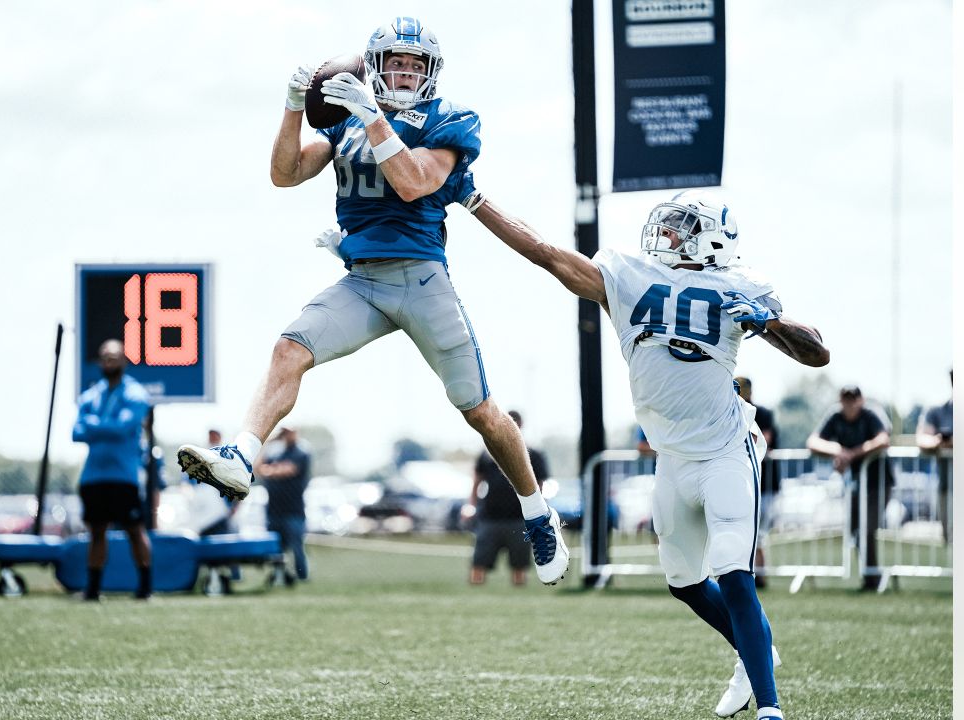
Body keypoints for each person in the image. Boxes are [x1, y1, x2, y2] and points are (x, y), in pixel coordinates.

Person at [175, 16, 568, 585]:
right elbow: (284, 175)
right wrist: (291, 106)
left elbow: (412, 183)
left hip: (422, 279)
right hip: (361, 278)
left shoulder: (446, 120)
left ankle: (536, 510)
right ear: (374, 65)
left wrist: (373, 117)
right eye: (395, 61)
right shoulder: (346, 123)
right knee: (290, 348)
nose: (405, 71)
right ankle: (242, 456)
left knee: (480, 410)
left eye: (416, 63)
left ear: (430, 71)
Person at [464, 186, 830, 720]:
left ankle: (770, 708)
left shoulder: (739, 284)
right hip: (672, 457)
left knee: (733, 570)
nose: (666, 234)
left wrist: (768, 322)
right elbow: (546, 253)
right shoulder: (631, 275)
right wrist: (476, 203)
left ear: (712, 239)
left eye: (680, 225)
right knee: (684, 582)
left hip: (728, 449)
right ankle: (754, 653)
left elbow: (817, 353)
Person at [73, 339, 154, 600]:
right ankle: (93, 590)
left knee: (134, 530)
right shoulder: (90, 394)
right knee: (96, 532)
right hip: (94, 476)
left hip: (123, 476)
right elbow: (76, 432)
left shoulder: (135, 394)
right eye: (105, 357)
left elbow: (123, 428)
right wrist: (107, 426)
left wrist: (94, 425)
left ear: (124, 360)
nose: (110, 361)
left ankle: (144, 587)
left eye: (115, 357)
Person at [806, 385, 891, 591]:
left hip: (878, 481)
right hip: (854, 484)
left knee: (867, 527)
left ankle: (872, 577)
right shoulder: (835, 416)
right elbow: (813, 441)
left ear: (860, 400)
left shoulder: (871, 415)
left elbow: (883, 439)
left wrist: (851, 454)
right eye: (846, 399)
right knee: (855, 528)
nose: (850, 403)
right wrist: (837, 450)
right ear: (840, 400)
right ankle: (870, 576)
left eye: (853, 399)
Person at [466, 410, 550, 586]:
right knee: (479, 561)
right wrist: (471, 505)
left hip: (519, 517)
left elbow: (540, 485)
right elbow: (477, 480)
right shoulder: (486, 453)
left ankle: (519, 600)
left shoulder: (532, 454)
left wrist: (538, 512)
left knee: (519, 564)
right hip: (490, 516)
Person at [253, 426, 312, 583]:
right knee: (277, 549)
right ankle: (280, 576)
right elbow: (257, 467)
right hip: (274, 511)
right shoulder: (276, 453)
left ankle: (302, 577)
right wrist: (267, 442)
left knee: (297, 547)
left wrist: (269, 470)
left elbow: (286, 470)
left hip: (293, 511)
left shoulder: (301, 452)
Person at [734, 376, 778, 588]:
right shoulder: (729, 411)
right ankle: (752, 575)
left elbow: (762, 440)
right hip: (743, 483)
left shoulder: (764, 414)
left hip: (765, 483)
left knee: (758, 533)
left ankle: (758, 576)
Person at [916, 369, 953, 543]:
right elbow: (922, 439)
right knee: (951, 538)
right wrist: (940, 441)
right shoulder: (938, 410)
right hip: (947, 487)